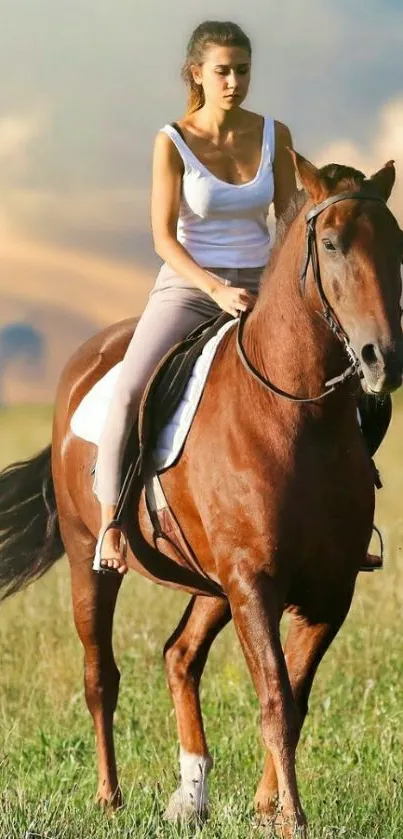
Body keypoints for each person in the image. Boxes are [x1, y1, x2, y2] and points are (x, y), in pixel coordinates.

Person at [93, 19, 297, 573]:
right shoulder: (173, 140)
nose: (234, 81)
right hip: (190, 286)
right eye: (223, 71)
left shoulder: (275, 134)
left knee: (343, 380)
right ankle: (111, 522)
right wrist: (215, 289)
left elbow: (290, 220)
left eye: (244, 70)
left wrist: (280, 287)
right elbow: (163, 237)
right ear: (197, 73)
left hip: (261, 284)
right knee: (132, 388)